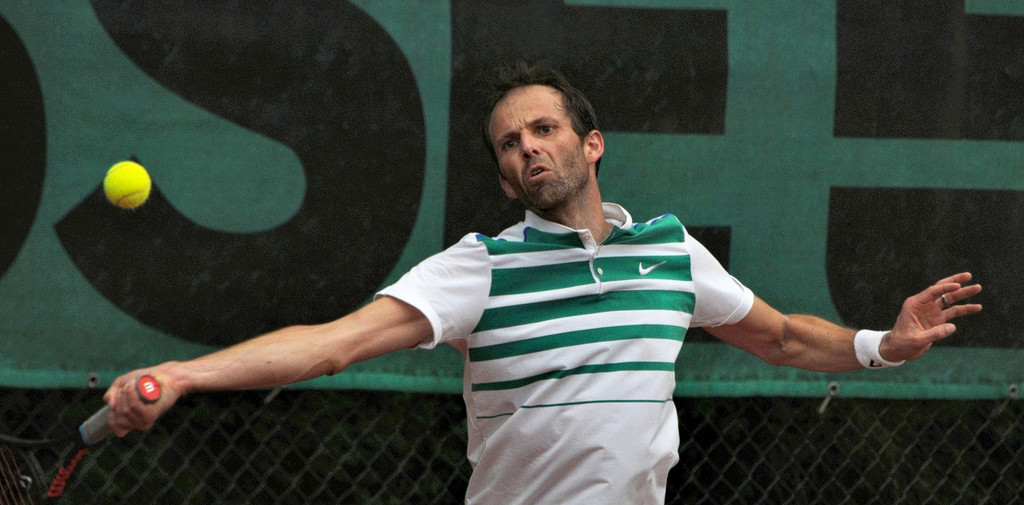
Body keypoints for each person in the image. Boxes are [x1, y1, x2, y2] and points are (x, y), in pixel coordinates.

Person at [105, 62, 983, 505]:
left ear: (590, 144)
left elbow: (783, 337)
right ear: (503, 178)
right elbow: (332, 345)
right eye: (509, 143)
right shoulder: (479, 269)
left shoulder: (670, 253)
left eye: (544, 129)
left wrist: (882, 344)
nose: (528, 147)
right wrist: (182, 375)